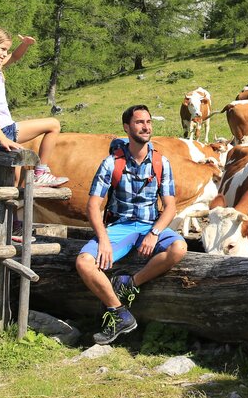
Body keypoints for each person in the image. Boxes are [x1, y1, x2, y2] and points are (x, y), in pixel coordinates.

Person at [75, 104, 188, 345]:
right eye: (139, 122)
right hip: (121, 227)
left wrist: (155, 232)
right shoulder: (111, 163)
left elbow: (170, 207)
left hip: (149, 225)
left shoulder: (160, 163)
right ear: (127, 128)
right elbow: (93, 206)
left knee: (179, 248)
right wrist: (104, 239)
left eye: (148, 122)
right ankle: (119, 313)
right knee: (84, 262)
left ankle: (129, 283)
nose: (146, 127)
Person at [0, 25, 68, 187]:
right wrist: (3, 138)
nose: (5, 53)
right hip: (0, 131)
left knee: (15, 176)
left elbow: (14, 57)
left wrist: (25, 44)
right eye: (2, 49)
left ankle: (12, 199)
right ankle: (41, 173)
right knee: (53, 125)